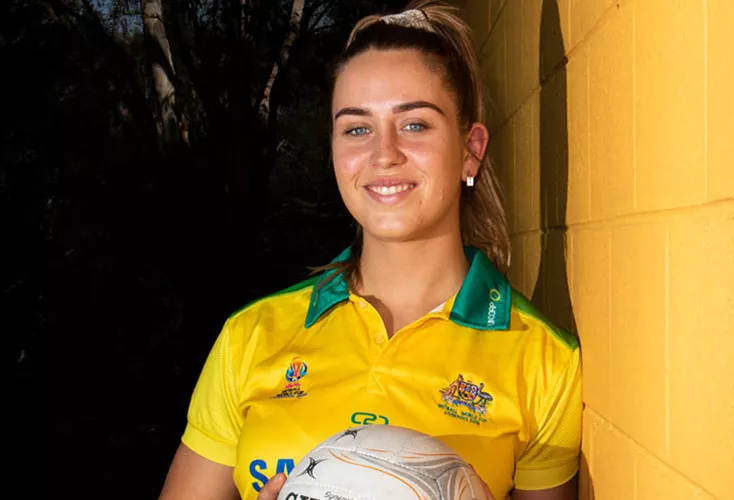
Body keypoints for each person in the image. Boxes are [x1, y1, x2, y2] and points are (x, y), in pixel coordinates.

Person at [159, 1, 582, 499]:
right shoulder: (250, 337)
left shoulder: (544, 360)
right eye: (357, 128)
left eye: (415, 124)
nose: (384, 154)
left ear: (471, 149)